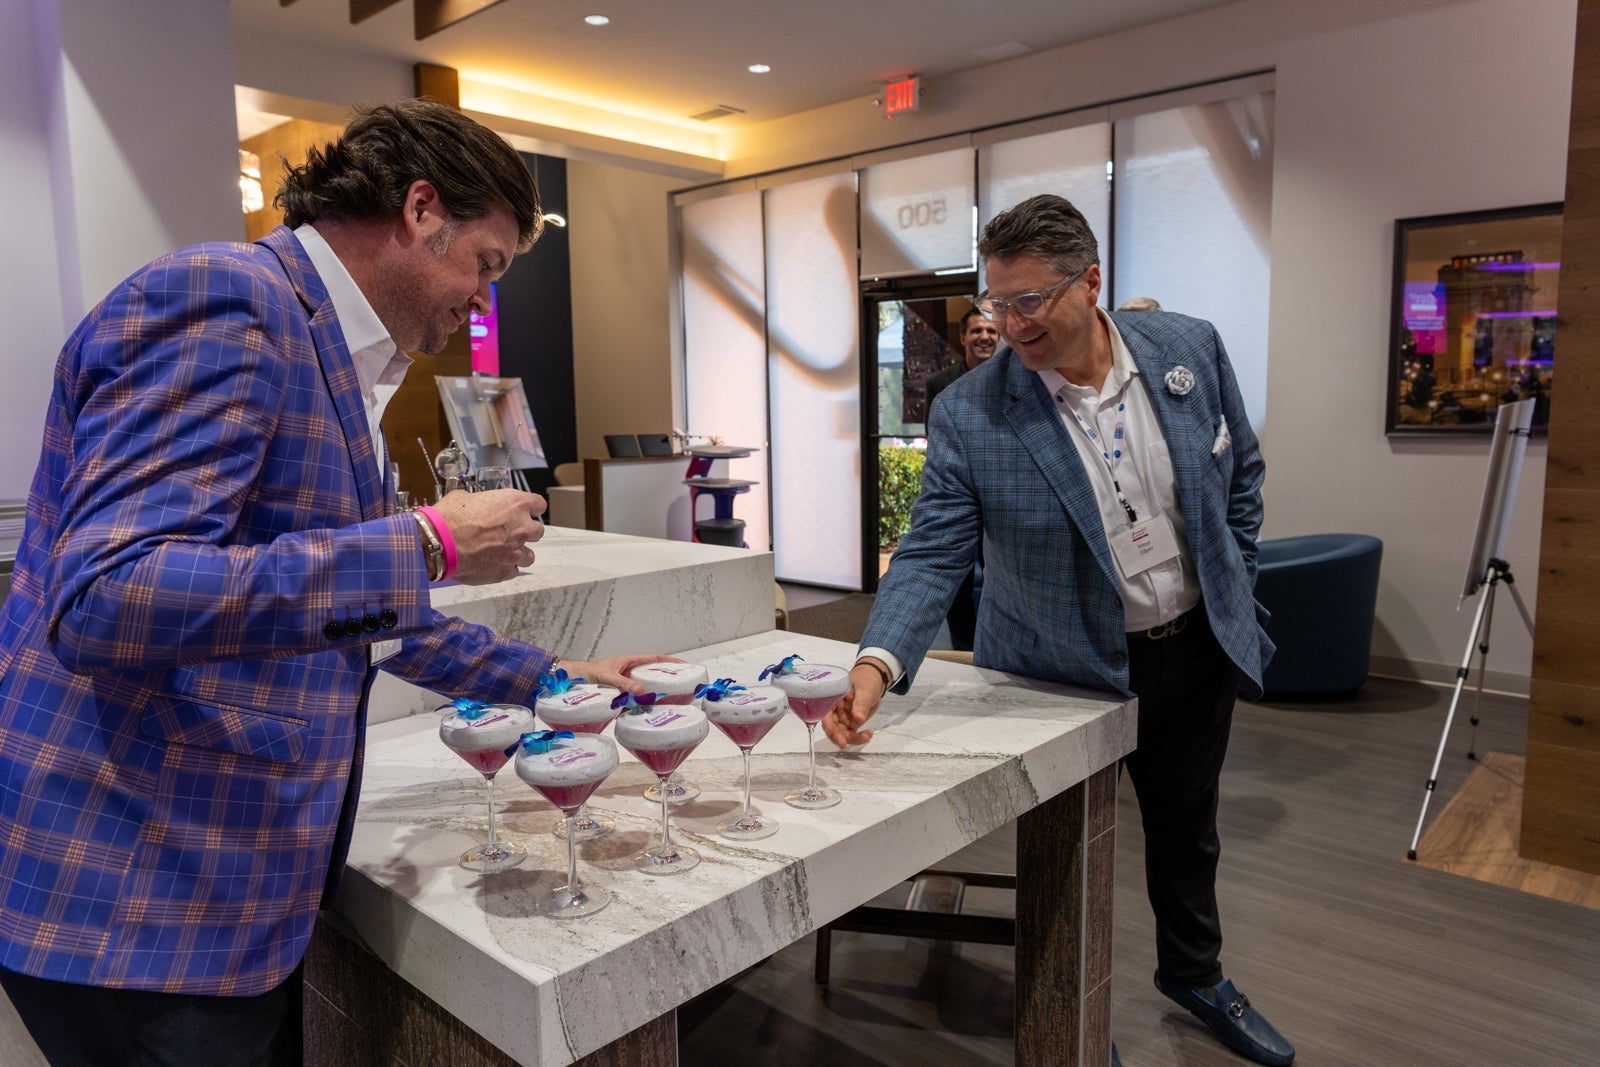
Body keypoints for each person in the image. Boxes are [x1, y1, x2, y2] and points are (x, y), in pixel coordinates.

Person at [0, 100, 672, 1066]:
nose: (481, 303)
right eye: (484, 264)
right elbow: (109, 593)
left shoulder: (329, 355)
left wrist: (554, 678)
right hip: (138, 892)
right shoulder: (226, 298)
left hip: (222, 891)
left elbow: (361, 614)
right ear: (421, 208)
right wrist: (427, 543)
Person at [826, 194, 1295, 1067]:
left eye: (1030, 301)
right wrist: (877, 663)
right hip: (1059, 673)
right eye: (996, 304)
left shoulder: (1188, 348)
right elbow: (932, 550)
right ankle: (1075, 1020)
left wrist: (1234, 575)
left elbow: (1243, 473)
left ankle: (1195, 974)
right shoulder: (973, 410)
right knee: (1069, 855)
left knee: (1188, 830)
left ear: (1091, 282)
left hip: (1193, 648)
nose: (1011, 325)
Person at [921, 307, 999, 650]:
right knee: (959, 577)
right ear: (964, 337)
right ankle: (965, 649)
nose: (985, 337)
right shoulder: (939, 384)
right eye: (977, 331)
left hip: (1000, 492)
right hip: (959, 493)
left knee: (1000, 575)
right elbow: (935, 441)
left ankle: (995, 647)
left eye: (991, 331)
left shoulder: (1015, 379)